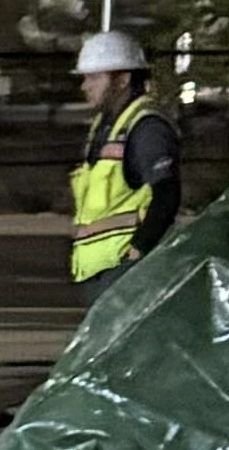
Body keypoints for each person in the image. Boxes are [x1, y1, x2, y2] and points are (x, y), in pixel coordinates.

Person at [67, 23, 182, 287]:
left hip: (125, 271)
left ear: (122, 79)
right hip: (103, 268)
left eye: (94, 78)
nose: (85, 86)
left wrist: (139, 249)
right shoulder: (106, 125)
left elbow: (166, 194)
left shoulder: (146, 127)